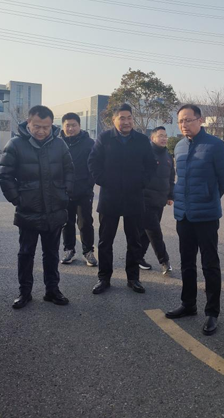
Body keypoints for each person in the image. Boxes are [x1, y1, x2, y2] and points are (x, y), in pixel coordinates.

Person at [0, 105, 74, 310]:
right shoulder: (15, 145)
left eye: (46, 127)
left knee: (52, 254)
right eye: (37, 126)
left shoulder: (59, 144)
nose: (41, 131)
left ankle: (52, 290)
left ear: (51, 125)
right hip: (28, 210)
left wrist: (65, 194)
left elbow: (69, 170)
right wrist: (17, 199)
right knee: (26, 253)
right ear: (28, 123)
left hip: (54, 210)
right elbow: (5, 175)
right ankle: (25, 292)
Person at [165, 104, 224, 336]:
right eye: (181, 121)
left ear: (200, 120)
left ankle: (212, 312)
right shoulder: (179, 146)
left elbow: (223, 179)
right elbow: (180, 178)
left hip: (206, 215)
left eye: (188, 120)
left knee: (210, 264)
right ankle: (188, 304)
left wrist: (208, 197)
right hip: (183, 214)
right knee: (187, 262)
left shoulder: (214, 145)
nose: (184, 125)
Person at [88, 103, 156, 295]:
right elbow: (93, 162)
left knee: (134, 241)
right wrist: (104, 181)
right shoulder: (104, 138)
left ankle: (133, 278)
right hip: (110, 197)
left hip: (134, 197)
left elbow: (151, 165)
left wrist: (142, 182)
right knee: (105, 241)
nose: (126, 122)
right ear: (114, 120)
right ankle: (104, 278)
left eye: (129, 118)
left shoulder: (142, 140)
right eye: (122, 118)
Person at [59, 113, 97, 267]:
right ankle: (69, 250)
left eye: (74, 125)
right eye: (67, 125)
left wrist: (89, 185)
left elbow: (94, 165)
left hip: (84, 191)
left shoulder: (89, 143)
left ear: (79, 126)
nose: (70, 128)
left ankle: (88, 251)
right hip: (63, 191)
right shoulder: (57, 143)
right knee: (66, 222)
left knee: (85, 222)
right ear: (63, 126)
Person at [138, 126, 174, 275]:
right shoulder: (146, 153)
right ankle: (164, 261)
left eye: (165, 136)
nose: (164, 138)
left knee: (147, 231)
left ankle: (137, 257)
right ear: (152, 138)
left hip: (160, 200)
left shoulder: (168, 156)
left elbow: (170, 177)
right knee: (154, 232)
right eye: (160, 136)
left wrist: (170, 196)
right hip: (145, 200)